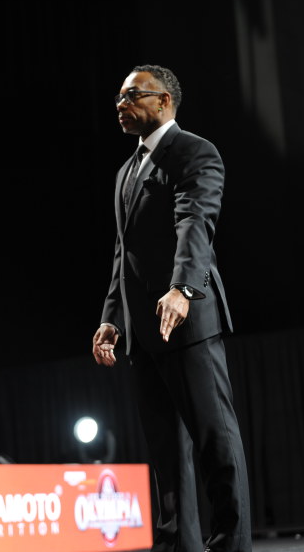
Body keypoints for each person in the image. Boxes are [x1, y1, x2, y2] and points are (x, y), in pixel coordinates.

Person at [92, 65, 251, 552]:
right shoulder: (126, 172)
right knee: (166, 452)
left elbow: (196, 224)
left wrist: (183, 288)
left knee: (214, 440)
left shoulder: (194, 152)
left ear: (163, 100)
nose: (120, 104)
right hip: (144, 331)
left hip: (189, 321)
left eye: (131, 95)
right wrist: (112, 319)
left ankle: (231, 544)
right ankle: (178, 545)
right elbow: (123, 254)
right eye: (118, 97)